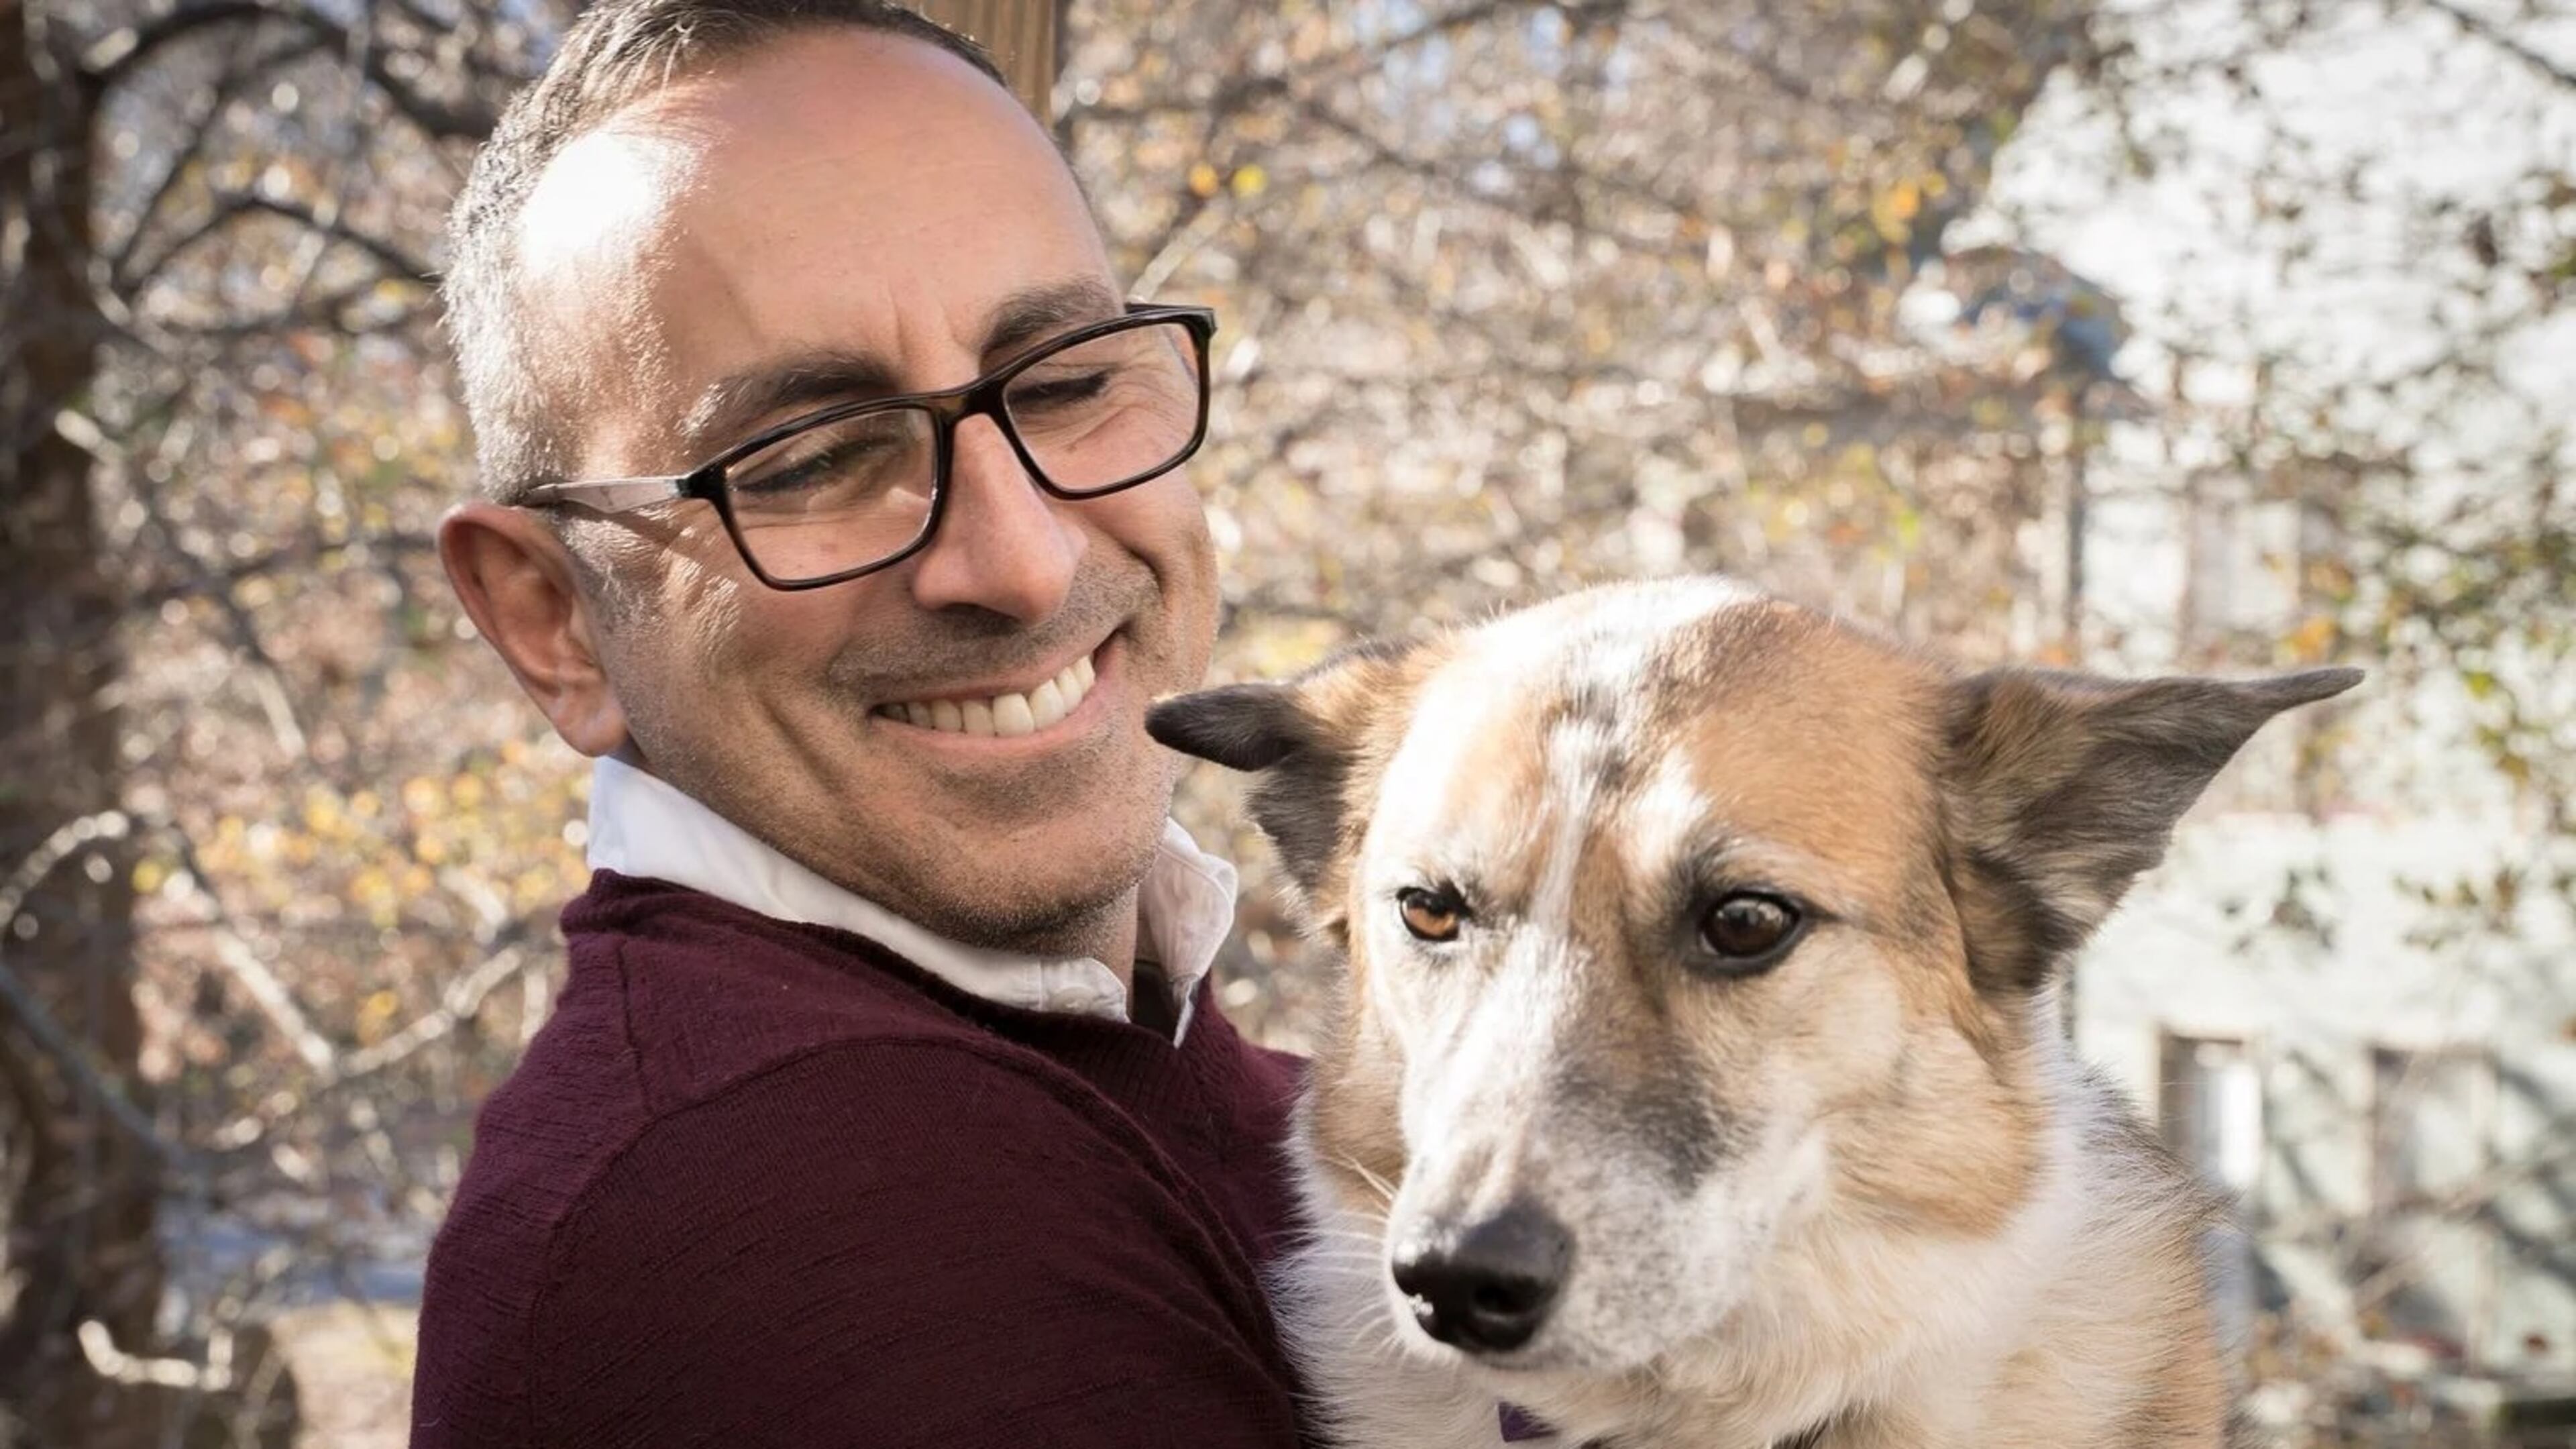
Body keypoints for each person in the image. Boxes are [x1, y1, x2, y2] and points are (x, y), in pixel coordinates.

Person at [413, 3, 1307, 1443]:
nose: (1022, 562)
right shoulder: (785, 1211)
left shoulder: (1155, 1081)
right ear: (550, 616)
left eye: (1070, 382)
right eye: (814, 458)